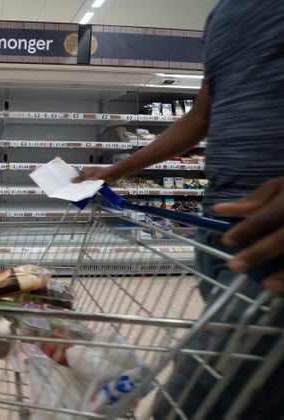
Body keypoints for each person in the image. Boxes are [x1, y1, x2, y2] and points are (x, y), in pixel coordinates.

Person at [72, 0, 284, 418]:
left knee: (191, 402)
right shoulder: (223, 14)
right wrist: (115, 170)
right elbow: (200, 117)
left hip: (273, 241)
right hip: (219, 227)